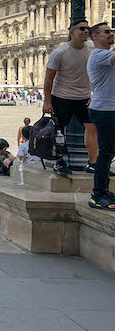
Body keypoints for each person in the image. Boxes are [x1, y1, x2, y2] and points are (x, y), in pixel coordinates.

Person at [43, 18, 96, 175]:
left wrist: (94, 94)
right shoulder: (60, 53)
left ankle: (93, 162)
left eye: (88, 28)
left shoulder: (92, 49)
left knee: (92, 128)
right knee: (59, 131)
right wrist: (47, 101)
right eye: (82, 28)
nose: (86, 31)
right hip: (61, 97)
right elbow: (49, 78)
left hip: (84, 97)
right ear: (71, 32)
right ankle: (59, 161)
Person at [86, 22, 115, 210]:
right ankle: (98, 194)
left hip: (109, 108)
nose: (111, 33)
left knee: (108, 152)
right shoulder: (98, 55)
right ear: (95, 37)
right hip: (105, 110)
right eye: (107, 32)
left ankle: (103, 190)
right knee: (105, 154)